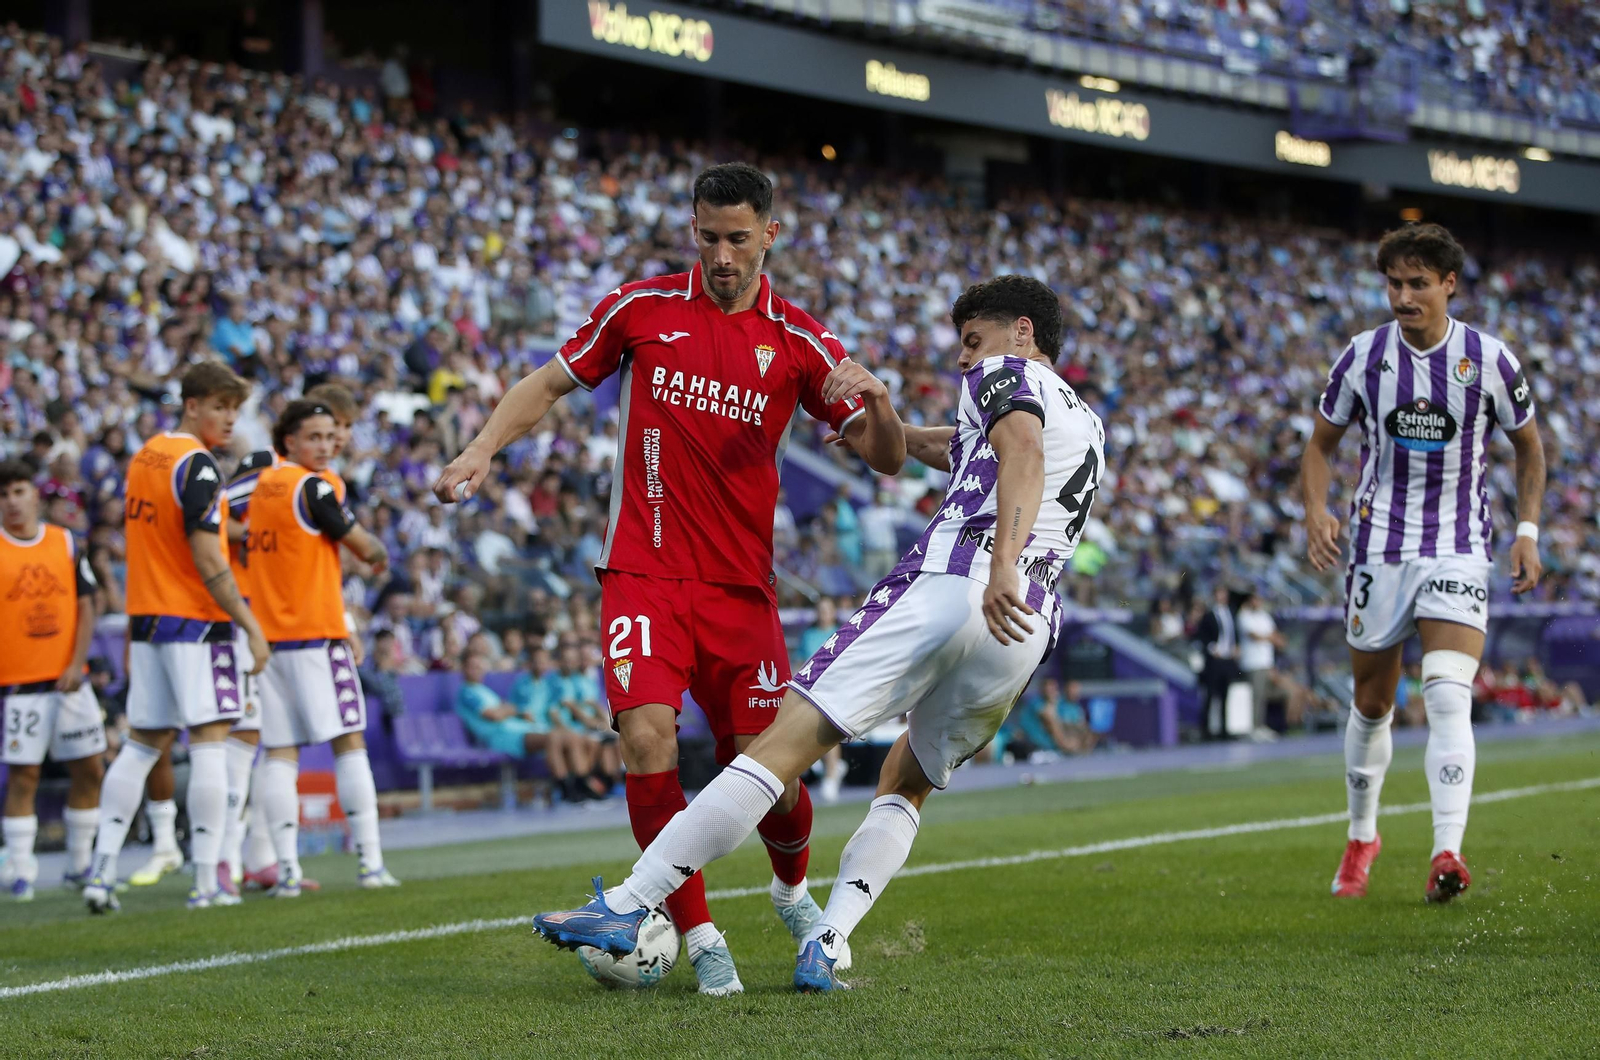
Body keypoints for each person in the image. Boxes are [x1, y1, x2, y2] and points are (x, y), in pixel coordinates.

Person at [532, 274, 1104, 993]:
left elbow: (1018, 451)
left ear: (1022, 332)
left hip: (964, 583)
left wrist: (1001, 565)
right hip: (1025, 629)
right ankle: (828, 941)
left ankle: (629, 902)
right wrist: (882, 420)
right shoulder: (1087, 421)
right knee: (907, 780)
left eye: (972, 340)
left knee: (779, 747)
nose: (964, 359)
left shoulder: (1002, 372)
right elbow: (963, 450)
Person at [435, 163, 905, 996]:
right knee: (647, 739)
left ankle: (791, 889)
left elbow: (886, 461)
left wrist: (878, 403)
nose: (722, 255)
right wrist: (479, 449)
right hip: (643, 573)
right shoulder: (641, 309)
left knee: (771, 776)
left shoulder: (800, 341)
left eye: (737, 238)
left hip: (741, 592)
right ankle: (701, 937)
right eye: (708, 236)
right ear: (694, 231)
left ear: (769, 234)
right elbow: (547, 383)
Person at [1300, 222, 1545, 903]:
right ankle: (1361, 836)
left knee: (1445, 690)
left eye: (1416, 284)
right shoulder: (1362, 356)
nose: (1403, 297)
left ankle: (1447, 851)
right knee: (1373, 704)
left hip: (1458, 547)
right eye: (1394, 284)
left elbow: (1530, 448)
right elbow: (1319, 445)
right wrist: (1316, 510)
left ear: (1448, 285)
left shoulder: (1488, 360)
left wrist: (1526, 530)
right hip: (1379, 547)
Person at [84, 361, 271, 913]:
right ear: (192, 404)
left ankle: (100, 873)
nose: (229, 420)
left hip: (146, 622)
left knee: (142, 743)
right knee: (211, 740)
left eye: (235, 410)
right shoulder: (200, 467)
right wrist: (250, 626)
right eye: (220, 407)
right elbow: (209, 557)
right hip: (196, 621)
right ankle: (208, 881)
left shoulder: (146, 455)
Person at [248, 400, 397, 895]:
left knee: (279, 754)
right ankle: (371, 863)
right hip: (316, 634)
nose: (324, 446)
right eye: (313, 437)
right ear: (288, 440)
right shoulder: (313, 486)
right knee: (349, 741)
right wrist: (374, 552)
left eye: (329, 436)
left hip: (268, 640)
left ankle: (287, 872)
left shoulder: (262, 483)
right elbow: (366, 547)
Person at [228, 382, 358, 894]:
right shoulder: (269, 467)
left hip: (277, 618)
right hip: (247, 615)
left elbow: (318, 569)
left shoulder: (322, 482)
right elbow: (216, 516)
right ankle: (220, 861)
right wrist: (259, 541)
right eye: (332, 429)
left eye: (344, 430)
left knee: (268, 748)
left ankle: (259, 860)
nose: (339, 440)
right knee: (242, 744)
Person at [0, 460, 105, 900]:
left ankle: (80, 863)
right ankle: (21, 869)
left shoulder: (65, 542)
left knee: (90, 769)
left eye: (19, 491)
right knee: (24, 776)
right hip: (19, 684)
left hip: (69, 681)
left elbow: (87, 605)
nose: (11, 502)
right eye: (4, 495)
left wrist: (75, 663)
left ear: (35, 495)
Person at [458, 652, 605, 801]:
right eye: (472, 667)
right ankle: (566, 789)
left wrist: (508, 709)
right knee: (553, 738)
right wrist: (511, 709)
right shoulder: (467, 692)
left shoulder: (484, 690)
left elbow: (506, 709)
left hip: (518, 730)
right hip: (501, 737)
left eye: (479, 667)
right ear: (463, 669)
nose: (477, 670)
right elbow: (495, 715)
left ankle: (581, 783)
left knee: (571, 737)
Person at [1194, 584, 1241, 740]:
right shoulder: (1208, 615)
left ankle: (1224, 729)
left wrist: (1236, 647)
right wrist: (1213, 648)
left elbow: (1234, 634)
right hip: (1215, 660)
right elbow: (1202, 636)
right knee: (1210, 695)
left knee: (1225, 695)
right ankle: (1206, 731)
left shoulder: (1232, 613)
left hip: (1228, 659)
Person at [1236, 592, 1285, 742]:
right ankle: (1252, 727)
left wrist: (1269, 638)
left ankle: (1260, 725)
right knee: (1255, 696)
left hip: (1265, 661)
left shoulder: (1264, 616)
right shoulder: (1244, 616)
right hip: (1252, 662)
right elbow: (1254, 636)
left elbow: (1275, 635)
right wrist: (1269, 638)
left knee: (1262, 696)